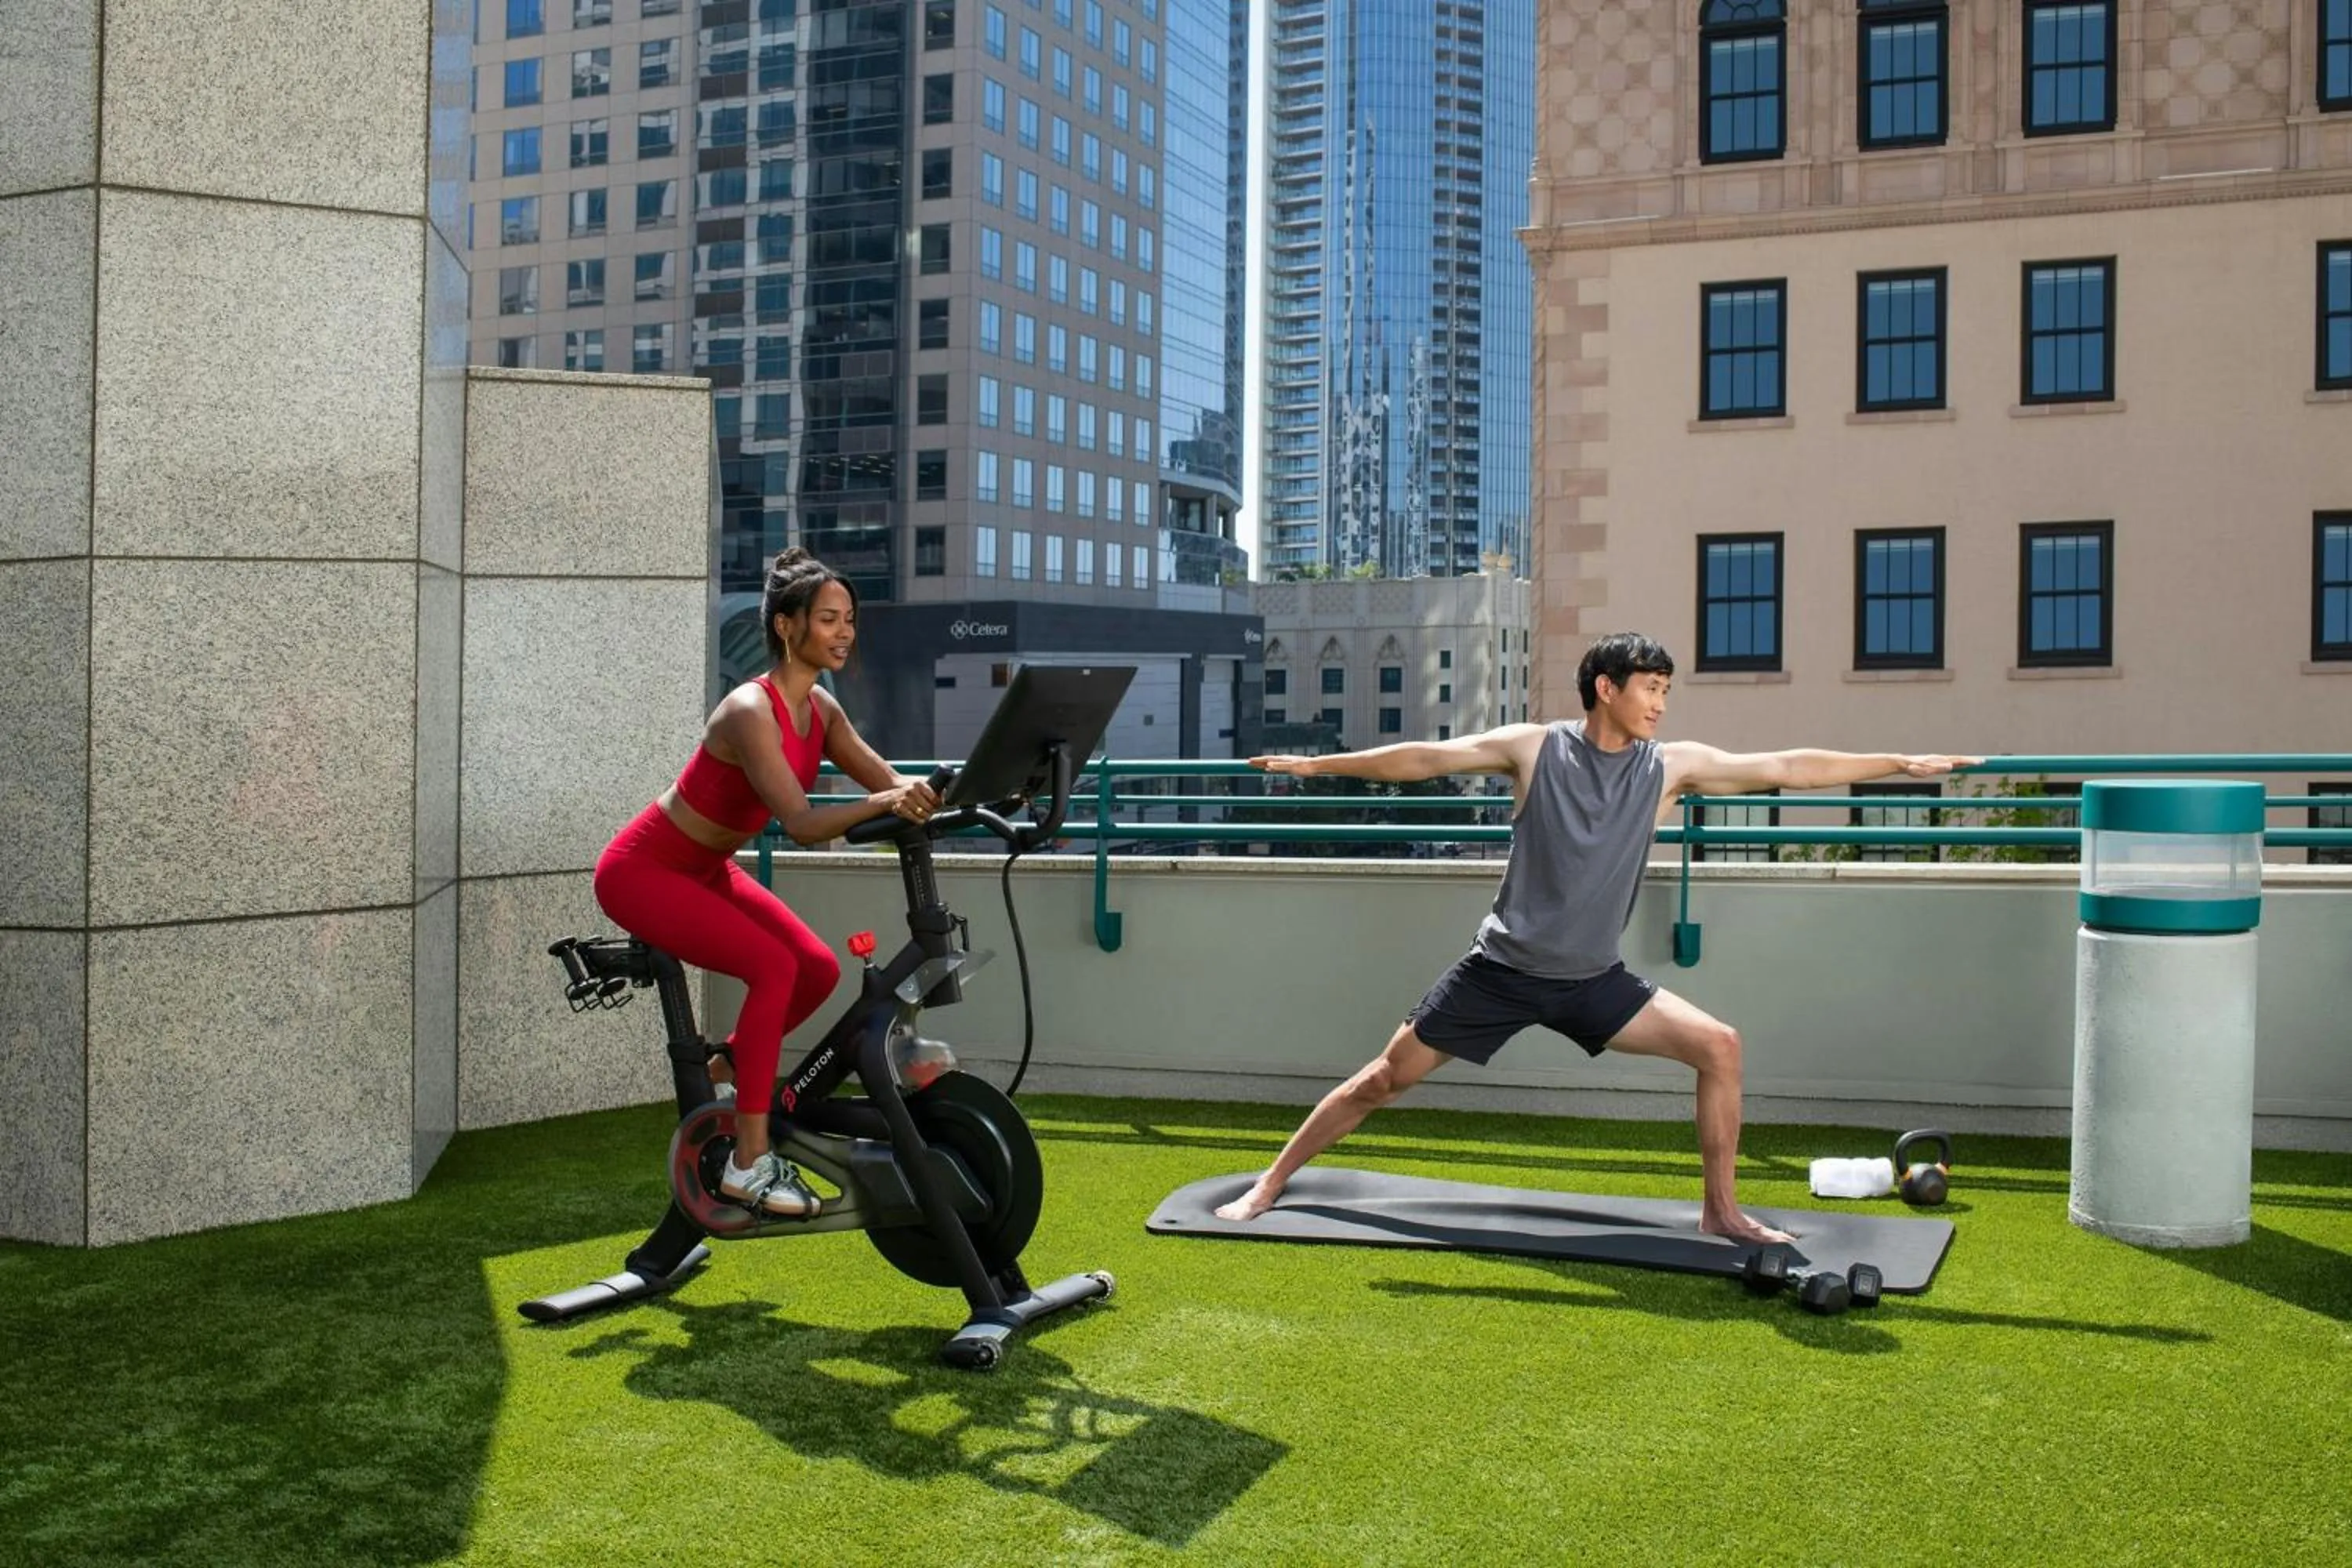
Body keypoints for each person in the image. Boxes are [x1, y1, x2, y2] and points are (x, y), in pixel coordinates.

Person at [1214, 632, 1979, 1245]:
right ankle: (1272, 1182)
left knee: (1720, 1044)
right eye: (1650, 687)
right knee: (1383, 1079)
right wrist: (1317, 763)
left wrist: (1901, 761)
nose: (1660, 704)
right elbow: (1426, 759)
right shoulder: (1536, 748)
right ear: (1605, 688)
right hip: (1501, 970)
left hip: (1592, 980)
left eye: (1667, 691)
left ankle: (1721, 1209)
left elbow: (1783, 765)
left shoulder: (1670, 766)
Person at [592, 548, 942, 1217]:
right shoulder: (749, 710)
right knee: (773, 968)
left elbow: (890, 783)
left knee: (812, 968)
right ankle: (747, 1164)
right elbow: (804, 822)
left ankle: (725, 1074)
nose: (845, 633)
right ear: (787, 626)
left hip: (706, 868)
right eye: (830, 620)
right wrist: (887, 803)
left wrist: (944, 791)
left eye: (850, 621)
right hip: (645, 870)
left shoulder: (825, 713)